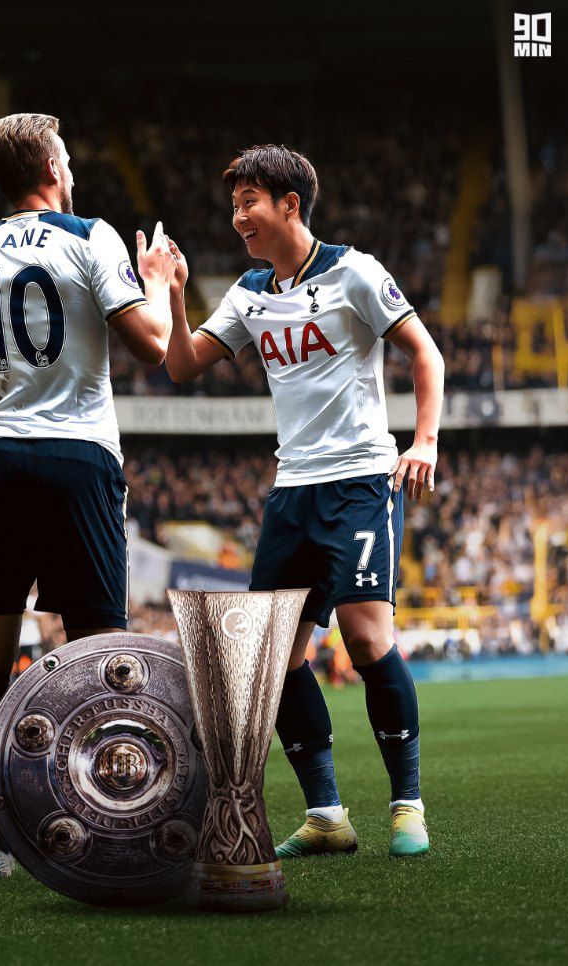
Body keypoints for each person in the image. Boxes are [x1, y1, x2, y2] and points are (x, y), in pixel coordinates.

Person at [165, 144, 444, 858]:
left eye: (249, 203)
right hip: (291, 490)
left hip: (359, 482)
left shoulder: (355, 272)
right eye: (234, 205)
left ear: (290, 204)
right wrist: (171, 290)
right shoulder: (248, 292)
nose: (238, 218)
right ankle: (326, 815)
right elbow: (182, 365)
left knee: (366, 638)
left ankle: (407, 806)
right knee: (274, 658)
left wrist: (424, 441)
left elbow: (425, 352)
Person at [0, 113, 175, 879]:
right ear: (52, 170)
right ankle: (109, 826)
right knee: (101, 658)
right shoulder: (90, 236)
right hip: (79, 460)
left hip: (1, 464)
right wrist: (157, 281)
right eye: (66, 157)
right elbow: (153, 346)